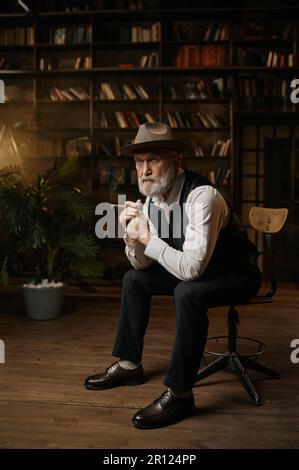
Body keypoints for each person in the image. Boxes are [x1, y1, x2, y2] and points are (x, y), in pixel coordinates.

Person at [84, 122, 261, 429]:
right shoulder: (152, 200)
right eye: (139, 162)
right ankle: (129, 364)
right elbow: (141, 266)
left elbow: (191, 271)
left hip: (237, 274)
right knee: (134, 280)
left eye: (153, 160)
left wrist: (149, 240)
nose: (144, 170)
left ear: (176, 161)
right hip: (196, 273)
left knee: (187, 292)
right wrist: (132, 236)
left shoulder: (202, 197)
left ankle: (180, 393)